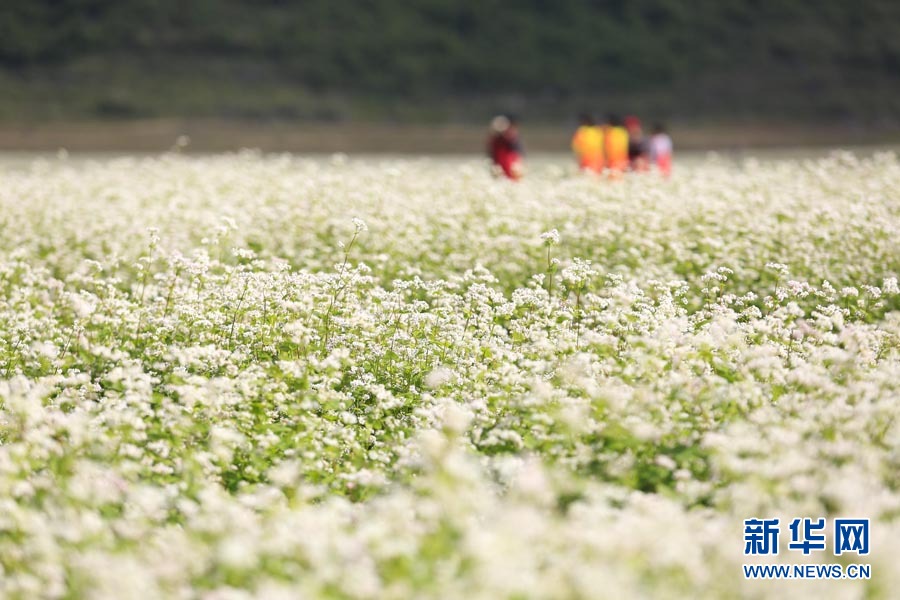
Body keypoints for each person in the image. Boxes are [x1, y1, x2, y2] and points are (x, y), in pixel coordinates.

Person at [486, 114, 524, 180]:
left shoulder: (510, 137)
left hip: (510, 167)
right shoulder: (495, 140)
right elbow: (492, 153)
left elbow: (517, 151)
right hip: (499, 166)